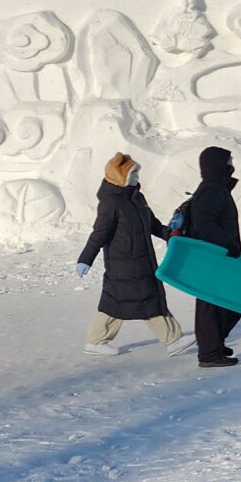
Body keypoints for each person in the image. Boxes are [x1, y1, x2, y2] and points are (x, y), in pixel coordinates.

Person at [74, 152, 191, 357]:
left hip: (142, 260)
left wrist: (169, 234)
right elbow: (100, 233)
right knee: (144, 299)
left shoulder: (137, 197)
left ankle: (96, 340)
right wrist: (85, 259)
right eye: (133, 173)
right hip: (124, 263)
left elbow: (152, 224)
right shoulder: (111, 202)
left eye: (137, 172)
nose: (137, 177)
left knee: (120, 302)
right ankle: (173, 339)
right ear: (120, 176)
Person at [172, 145, 241, 369]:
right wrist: (227, 244)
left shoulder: (216, 188)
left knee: (227, 301)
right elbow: (204, 224)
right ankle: (209, 352)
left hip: (217, 255)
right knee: (213, 305)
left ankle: (214, 344)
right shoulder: (211, 191)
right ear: (217, 165)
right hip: (212, 256)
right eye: (228, 161)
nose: (231, 165)